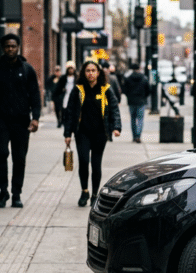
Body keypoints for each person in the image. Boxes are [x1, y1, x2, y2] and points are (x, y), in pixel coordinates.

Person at [0, 33, 41, 209]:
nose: (10, 49)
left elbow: (35, 96)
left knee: (19, 158)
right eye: (7, 46)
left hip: (22, 121)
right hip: (0, 120)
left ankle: (16, 194)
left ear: (18, 47)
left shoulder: (27, 70)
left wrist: (35, 118)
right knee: (0, 154)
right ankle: (3, 190)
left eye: (13, 46)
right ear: (3, 48)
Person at [63, 61, 122, 207]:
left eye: (93, 70)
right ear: (83, 72)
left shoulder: (105, 89)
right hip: (82, 133)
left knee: (96, 165)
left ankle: (95, 194)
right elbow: (70, 112)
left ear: (98, 73)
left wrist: (116, 127)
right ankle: (84, 191)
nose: (90, 73)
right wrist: (67, 133)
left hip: (100, 134)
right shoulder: (78, 90)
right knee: (83, 162)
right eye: (88, 70)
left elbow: (114, 108)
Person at [121, 62, 151, 143]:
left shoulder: (128, 78)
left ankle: (134, 136)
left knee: (133, 119)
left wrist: (129, 96)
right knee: (140, 119)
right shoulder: (144, 78)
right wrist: (144, 97)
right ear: (139, 69)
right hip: (141, 101)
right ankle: (138, 135)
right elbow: (148, 90)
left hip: (131, 101)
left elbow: (124, 90)